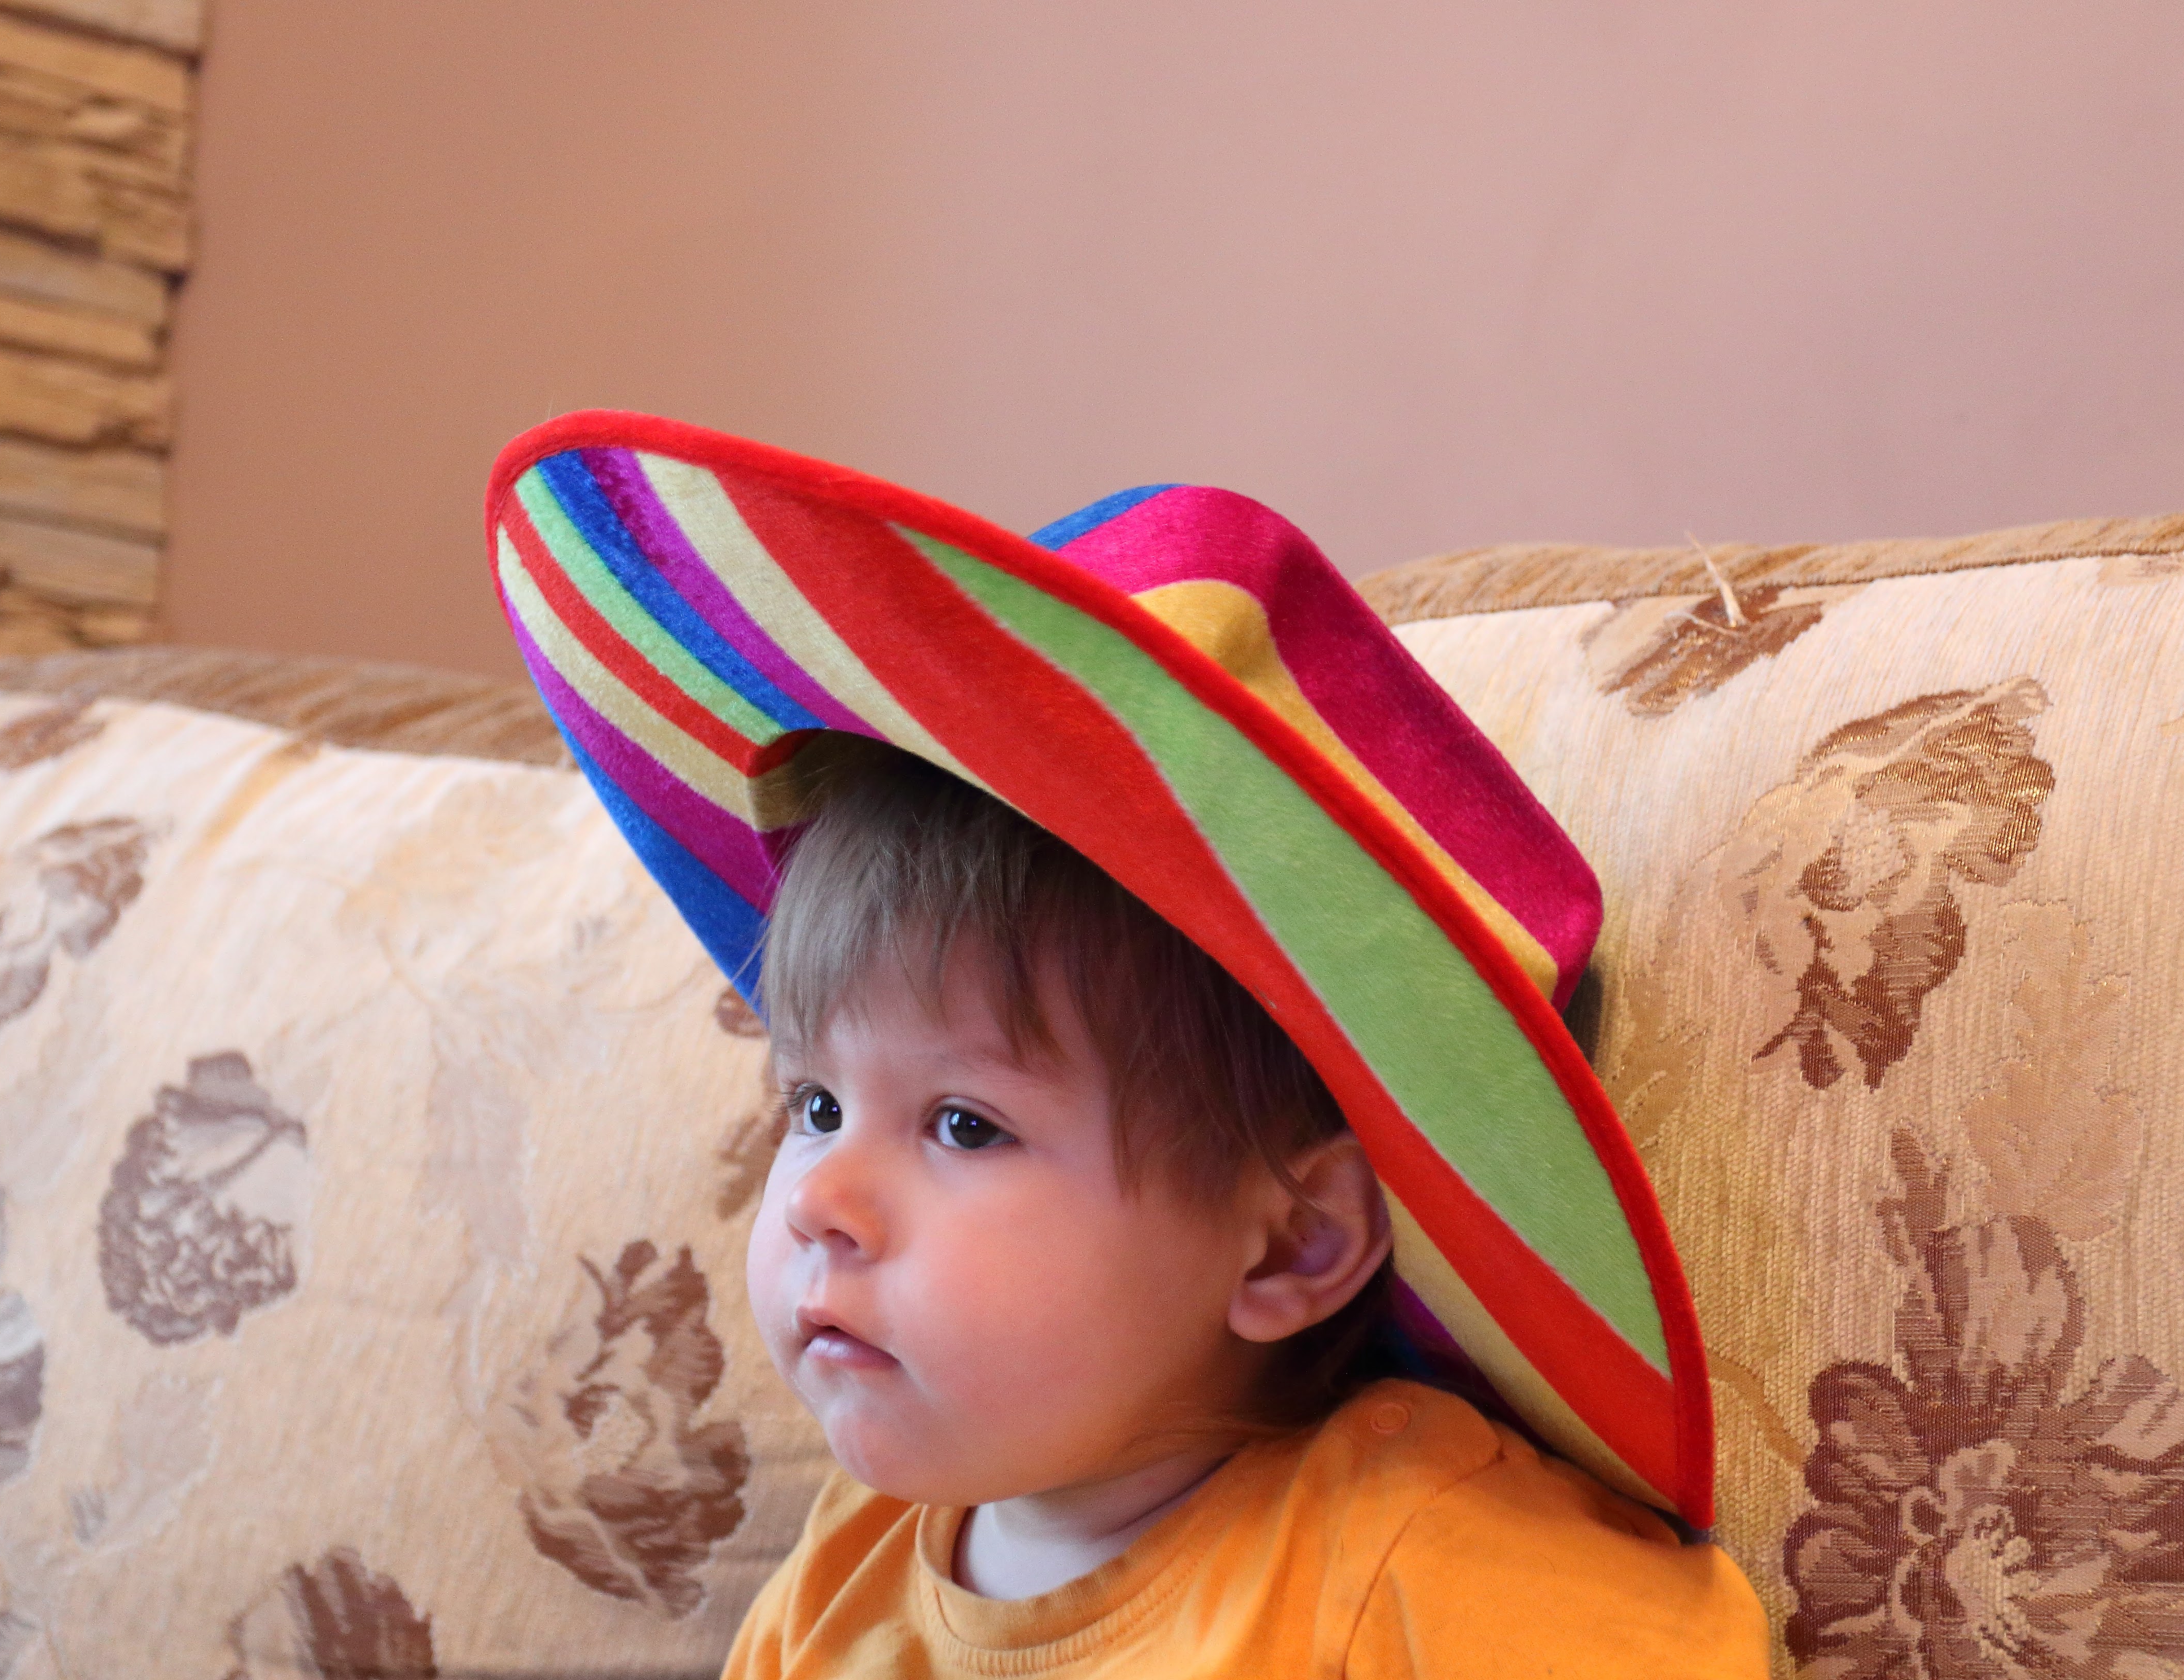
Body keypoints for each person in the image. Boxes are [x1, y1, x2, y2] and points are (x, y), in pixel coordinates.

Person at [484, 413, 1770, 1675]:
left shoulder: (1424, 1559)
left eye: (964, 1124)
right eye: (816, 1105)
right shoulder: (840, 1577)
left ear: (1292, 1240)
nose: (820, 1200)